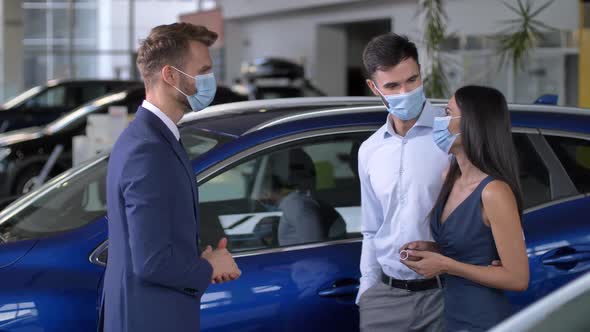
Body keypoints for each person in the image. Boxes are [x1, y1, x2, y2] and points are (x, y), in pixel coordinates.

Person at [100, 23, 240, 332]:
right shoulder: (148, 149)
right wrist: (209, 267)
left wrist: (196, 257)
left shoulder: (151, 137)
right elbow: (152, 262)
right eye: (203, 71)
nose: (210, 80)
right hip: (150, 319)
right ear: (171, 75)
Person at [401, 86, 529, 332]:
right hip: (452, 314)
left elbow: (517, 278)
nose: (439, 120)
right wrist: (432, 249)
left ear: (471, 124)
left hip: (482, 319)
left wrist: (446, 265)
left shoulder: (494, 192)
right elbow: (472, 245)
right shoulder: (451, 176)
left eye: (448, 112)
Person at [356, 33, 449, 332]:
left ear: (422, 73)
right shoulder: (370, 150)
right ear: (374, 88)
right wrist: (367, 291)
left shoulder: (451, 139)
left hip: (445, 293)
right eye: (393, 86)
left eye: (412, 80)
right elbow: (372, 228)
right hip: (385, 298)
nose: (406, 91)